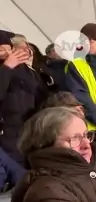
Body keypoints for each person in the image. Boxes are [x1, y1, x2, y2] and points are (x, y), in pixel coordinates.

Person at [0, 30, 48, 163]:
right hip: (6, 135)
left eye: (7, 47)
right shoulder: (6, 67)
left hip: (28, 132)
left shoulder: (26, 70)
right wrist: (7, 67)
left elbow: (41, 96)